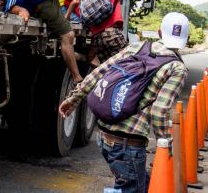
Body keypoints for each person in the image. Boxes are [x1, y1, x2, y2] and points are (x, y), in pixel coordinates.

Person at [58, 12, 189, 193]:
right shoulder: (177, 68)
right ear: (186, 38)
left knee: (141, 183)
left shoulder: (135, 47)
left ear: (159, 32)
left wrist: (73, 99)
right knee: (132, 186)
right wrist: (164, 145)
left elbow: (99, 72)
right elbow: (159, 112)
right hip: (129, 144)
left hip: (103, 135)